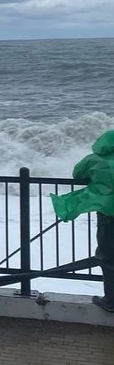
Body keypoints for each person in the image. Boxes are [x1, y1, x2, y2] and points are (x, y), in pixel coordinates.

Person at [51, 129, 114, 311]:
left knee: (108, 257)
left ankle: (111, 300)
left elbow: (78, 174)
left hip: (108, 215)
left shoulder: (93, 159)